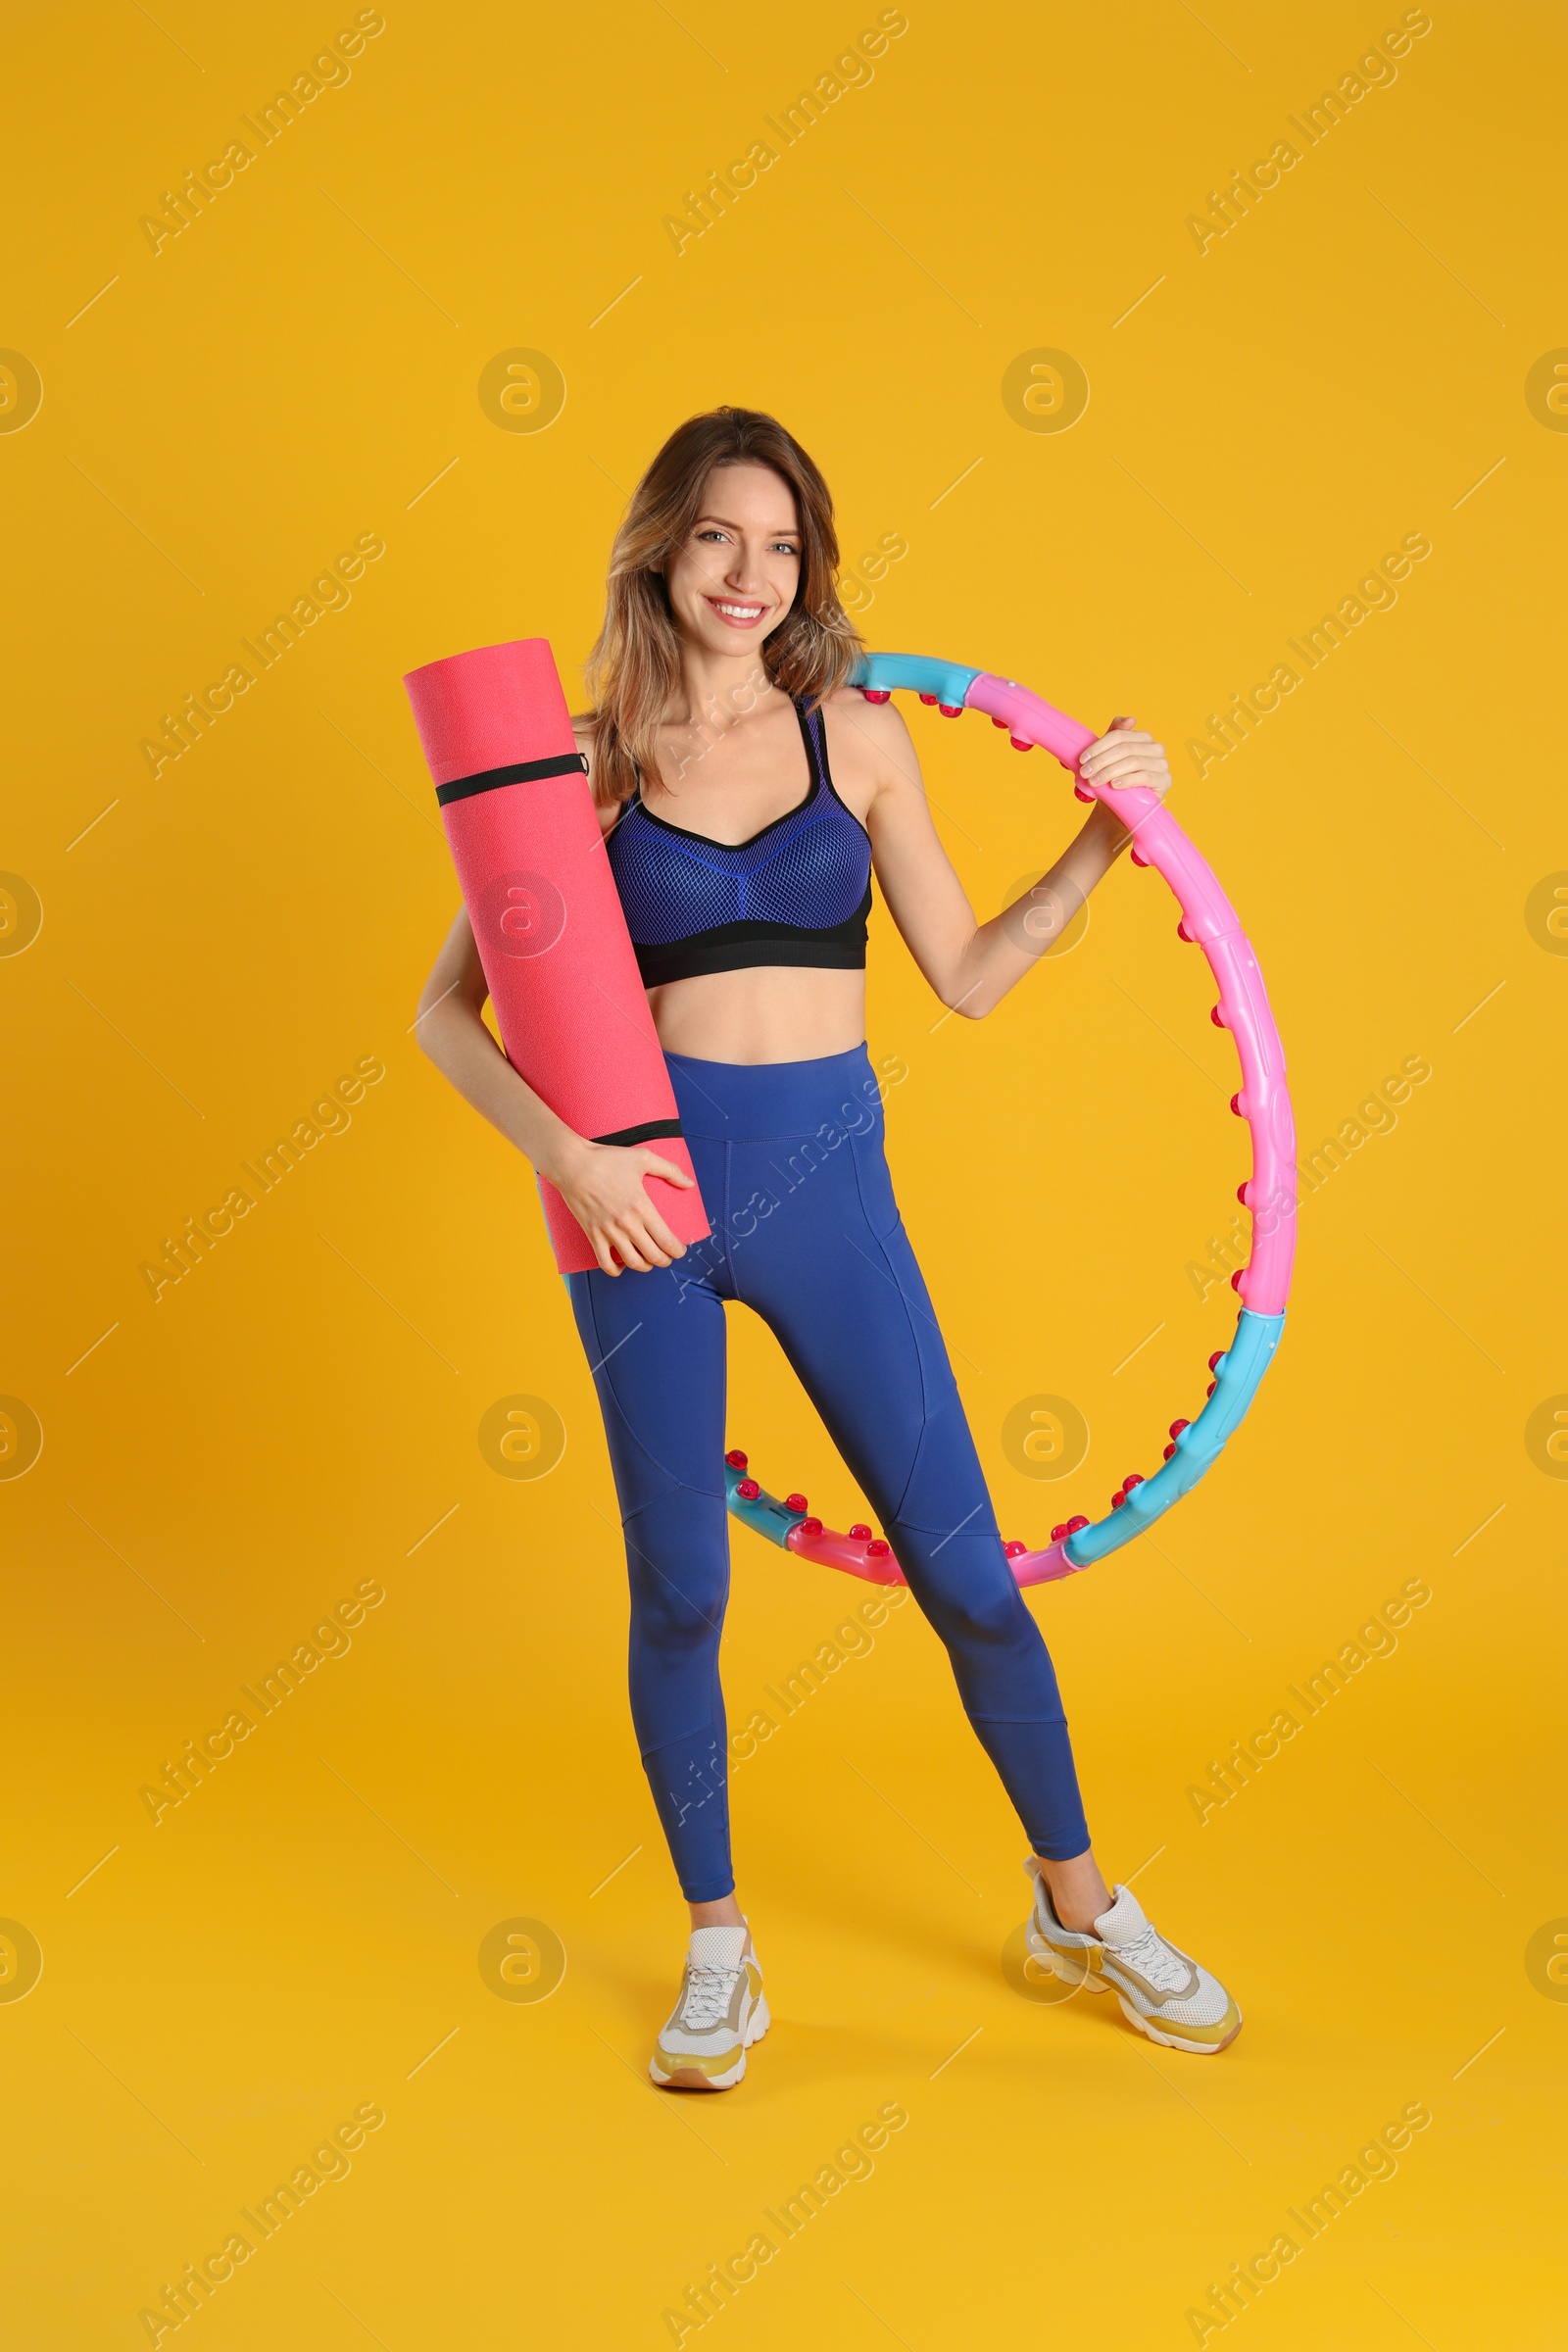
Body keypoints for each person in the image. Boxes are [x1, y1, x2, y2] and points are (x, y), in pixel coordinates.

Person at [416, 405, 1241, 2086]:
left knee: (962, 1573)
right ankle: (720, 1949)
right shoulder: (582, 762)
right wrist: (572, 1157)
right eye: (720, 535)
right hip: (638, 1208)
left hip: (828, 1197)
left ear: (811, 569)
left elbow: (973, 971)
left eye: (782, 544)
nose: (750, 571)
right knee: (682, 1586)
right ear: (664, 545)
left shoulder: (857, 741)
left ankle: (1077, 1909)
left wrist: (1110, 827)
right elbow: (443, 1014)